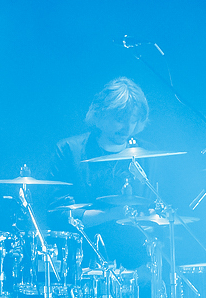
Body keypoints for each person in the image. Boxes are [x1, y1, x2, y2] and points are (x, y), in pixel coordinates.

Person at [42, 78, 158, 279]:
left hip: (134, 266)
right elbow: (57, 215)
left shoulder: (147, 154)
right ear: (100, 114)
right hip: (82, 265)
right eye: (120, 119)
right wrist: (114, 214)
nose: (127, 128)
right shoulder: (69, 151)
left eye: (133, 120)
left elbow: (155, 207)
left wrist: (151, 220)